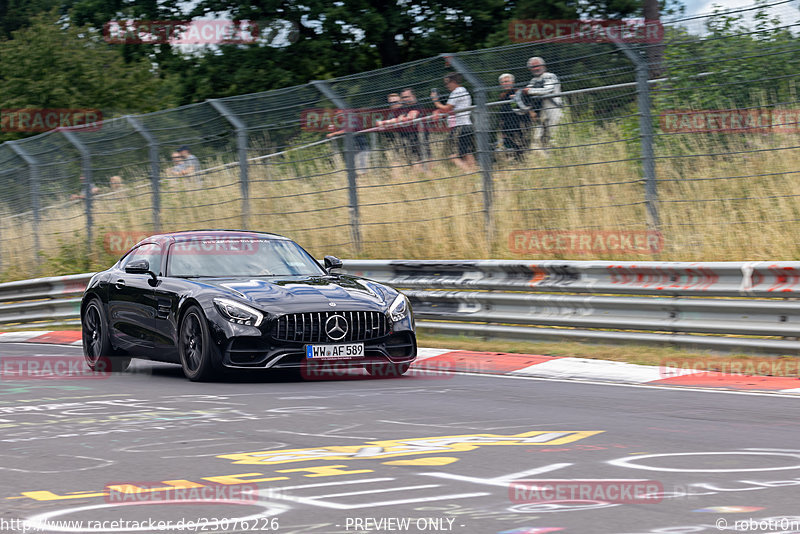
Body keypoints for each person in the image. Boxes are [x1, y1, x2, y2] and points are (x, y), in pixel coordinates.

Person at [431, 72, 476, 172]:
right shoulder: (463, 90)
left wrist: (436, 101)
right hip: (467, 125)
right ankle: (474, 172)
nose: (446, 86)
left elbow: (447, 108)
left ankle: (469, 172)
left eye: (447, 83)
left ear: (454, 81)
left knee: (453, 156)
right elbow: (451, 110)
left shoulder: (456, 92)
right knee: (467, 153)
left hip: (459, 126)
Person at [523, 57, 563, 148]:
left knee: (554, 137)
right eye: (533, 67)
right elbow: (525, 92)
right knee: (537, 139)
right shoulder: (533, 81)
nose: (536, 68)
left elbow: (548, 90)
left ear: (543, 66)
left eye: (537, 66)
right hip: (540, 111)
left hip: (554, 108)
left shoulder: (550, 76)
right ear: (530, 69)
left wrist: (529, 91)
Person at [497, 73, 530, 161]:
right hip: (507, 129)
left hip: (520, 126)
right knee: (511, 151)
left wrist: (514, 100)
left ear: (512, 82)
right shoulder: (503, 96)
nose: (505, 83)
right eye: (503, 82)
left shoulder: (518, 93)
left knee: (522, 149)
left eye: (507, 81)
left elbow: (523, 108)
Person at [326, 110, 370, 175]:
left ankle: (360, 179)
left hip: (360, 146)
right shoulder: (347, 120)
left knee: (361, 167)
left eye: (339, 116)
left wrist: (333, 134)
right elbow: (343, 130)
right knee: (355, 166)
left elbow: (347, 130)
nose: (339, 118)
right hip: (356, 147)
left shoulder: (350, 119)